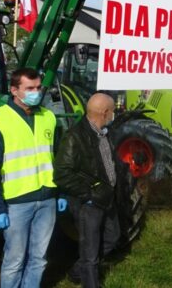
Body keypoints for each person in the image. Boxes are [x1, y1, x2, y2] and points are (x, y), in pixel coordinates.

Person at [0, 68, 67, 288]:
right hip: (16, 203)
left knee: (39, 258)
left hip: (47, 199)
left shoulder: (48, 117)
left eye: (38, 88)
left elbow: (56, 158)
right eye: (29, 88)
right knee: (14, 261)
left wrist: (62, 192)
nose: (36, 92)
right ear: (14, 90)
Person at [54, 93, 124, 288]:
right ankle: (90, 283)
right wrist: (90, 194)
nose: (114, 115)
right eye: (112, 111)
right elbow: (62, 173)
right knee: (90, 251)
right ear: (105, 112)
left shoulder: (104, 133)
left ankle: (77, 272)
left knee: (112, 237)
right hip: (88, 202)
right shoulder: (75, 136)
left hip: (107, 197)